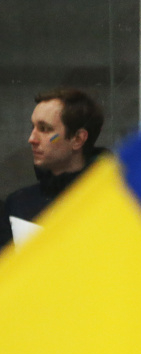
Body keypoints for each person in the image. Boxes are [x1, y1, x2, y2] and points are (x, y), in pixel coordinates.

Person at [2, 88, 105, 249]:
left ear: (78, 139)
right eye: (33, 127)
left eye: (44, 129)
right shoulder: (18, 204)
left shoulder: (112, 201)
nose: (32, 139)